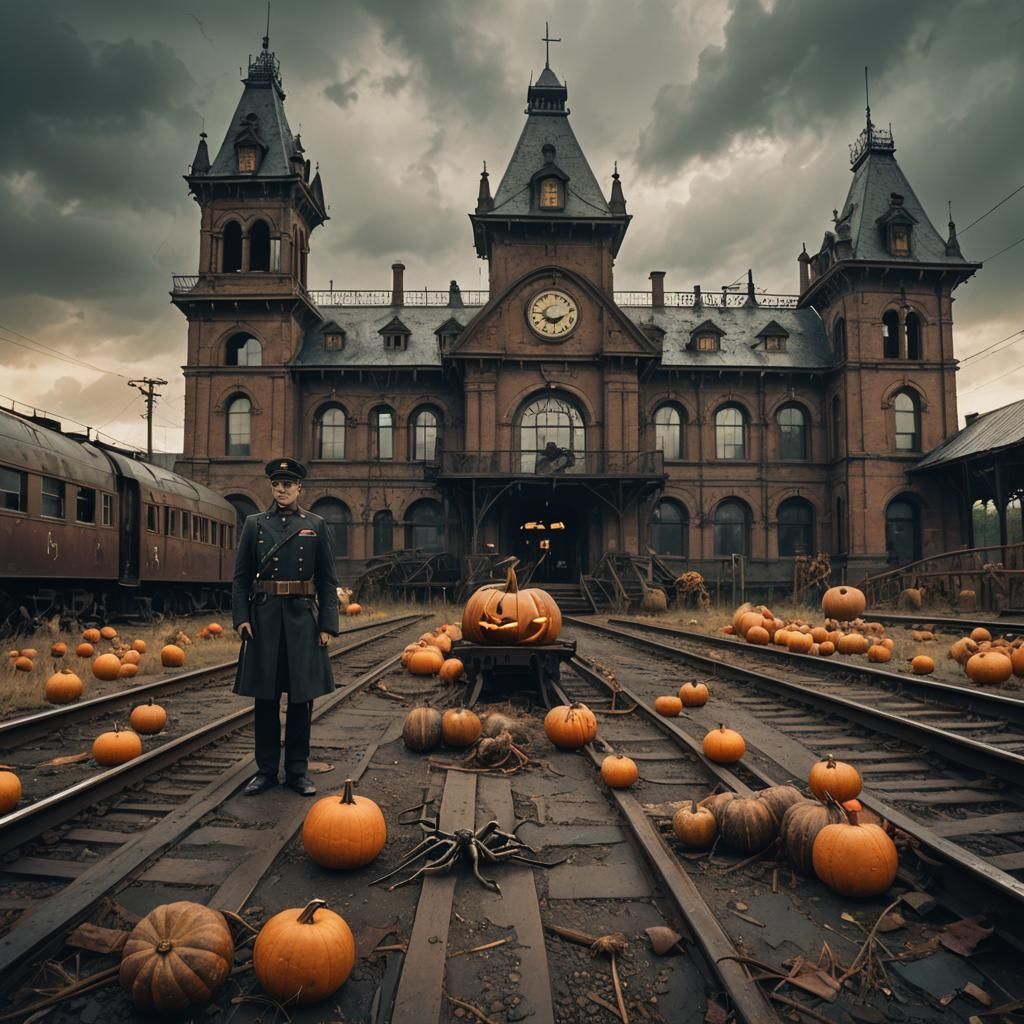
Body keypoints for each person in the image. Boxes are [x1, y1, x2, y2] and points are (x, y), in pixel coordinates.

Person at [232, 458, 340, 796]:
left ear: (299, 488)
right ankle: (265, 771)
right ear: (271, 486)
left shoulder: (316, 525)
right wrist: (242, 618)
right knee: (265, 700)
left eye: (288, 484)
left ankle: (297, 771)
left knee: (300, 700)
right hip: (263, 620)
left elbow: (327, 580)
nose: (282, 490)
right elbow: (240, 578)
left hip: (301, 619)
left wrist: (327, 624)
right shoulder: (254, 524)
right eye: (277, 484)